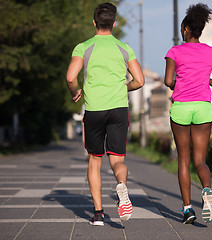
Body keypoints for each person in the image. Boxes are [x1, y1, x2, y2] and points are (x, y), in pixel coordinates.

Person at [66, 2, 144, 226]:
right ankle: (122, 186)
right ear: (114, 23)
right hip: (119, 109)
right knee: (117, 160)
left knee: (94, 160)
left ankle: (98, 214)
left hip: (94, 110)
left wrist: (75, 92)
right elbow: (140, 80)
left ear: (94, 22)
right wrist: (122, 88)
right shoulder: (124, 48)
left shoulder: (84, 47)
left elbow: (71, 77)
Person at [164, 3, 212, 224]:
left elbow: (168, 81)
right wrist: (203, 79)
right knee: (200, 160)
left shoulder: (175, 51)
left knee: (184, 159)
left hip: (181, 107)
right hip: (202, 108)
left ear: (185, 28)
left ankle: (188, 209)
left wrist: (182, 81)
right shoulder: (211, 53)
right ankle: (207, 190)